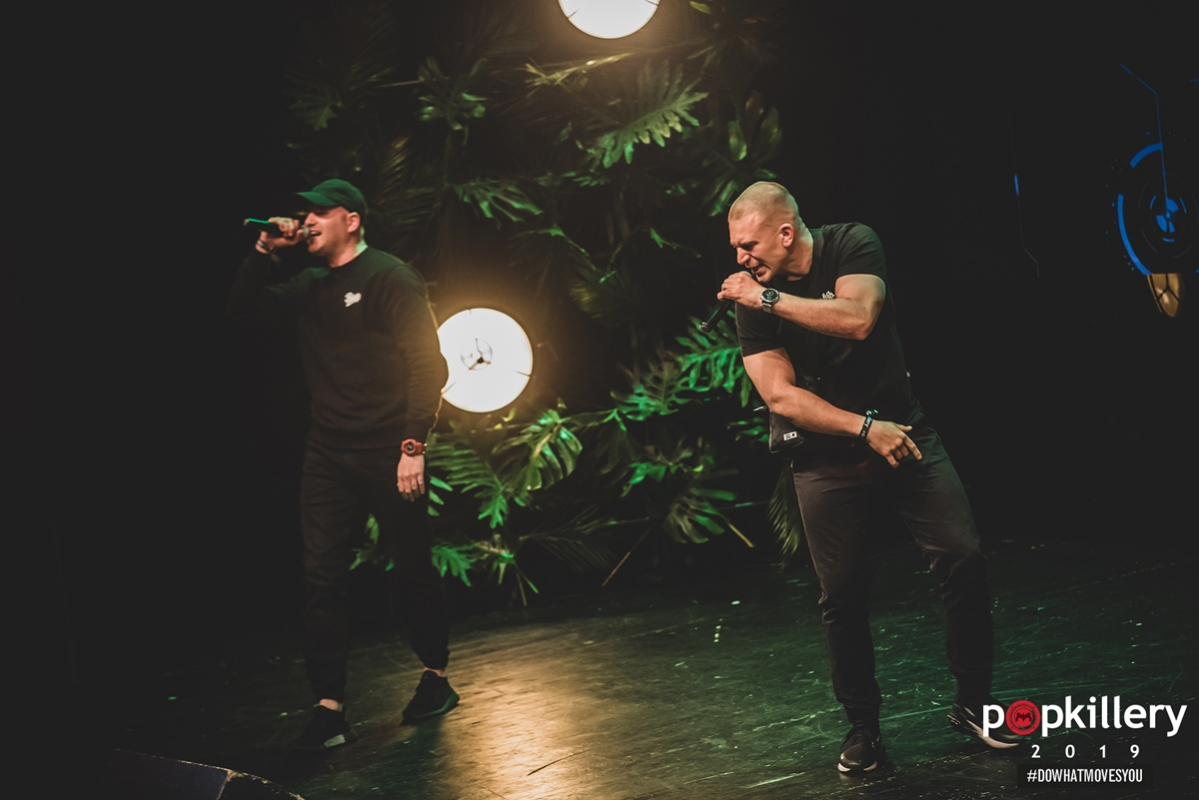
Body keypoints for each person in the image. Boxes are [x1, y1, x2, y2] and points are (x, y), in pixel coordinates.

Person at [718, 182, 1020, 773]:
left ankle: (974, 703)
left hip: (902, 432)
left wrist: (767, 298)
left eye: (748, 244)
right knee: (843, 593)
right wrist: (862, 429)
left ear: (786, 233)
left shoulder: (850, 244)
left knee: (962, 556)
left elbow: (859, 318)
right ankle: (863, 727)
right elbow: (780, 397)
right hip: (824, 455)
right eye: (735, 248)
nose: (740, 258)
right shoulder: (749, 301)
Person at [227, 179, 457, 751]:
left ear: (350, 220)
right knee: (321, 576)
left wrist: (412, 445)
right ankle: (329, 706)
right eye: (302, 214)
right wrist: (263, 252)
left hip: (389, 447)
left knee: (411, 567)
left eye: (318, 213)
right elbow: (242, 315)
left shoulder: (389, 277)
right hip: (328, 451)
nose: (306, 222)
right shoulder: (308, 285)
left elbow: (428, 363)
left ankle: (435, 676)